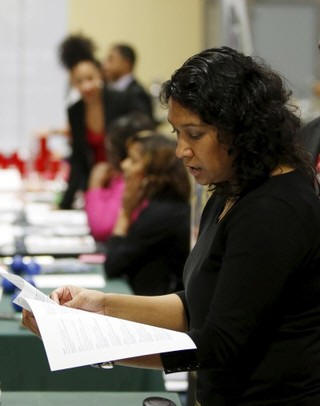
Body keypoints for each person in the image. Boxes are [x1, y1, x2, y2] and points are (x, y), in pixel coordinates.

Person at [23, 47, 320, 405]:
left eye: (194, 134)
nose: (180, 150)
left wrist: (91, 342)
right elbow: (196, 306)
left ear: (240, 129)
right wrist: (102, 306)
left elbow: (216, 345)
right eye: (177, 133)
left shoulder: (275, 210)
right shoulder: (232, 188)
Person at [57, 34, 143, 209]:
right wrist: (65, 204)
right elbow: (78, 158)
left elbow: (138, 143)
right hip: (94, 185)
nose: (86, 86)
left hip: (124, 182)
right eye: (79, 81)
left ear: (100, 75)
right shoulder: (75, 111)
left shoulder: (120, 101)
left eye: (90, 78)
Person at [104, 132, 190, 295]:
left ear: (153, 171)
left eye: (133, 160)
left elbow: (113, 265)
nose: (124, 165)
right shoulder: (166, 206)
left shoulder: (163, 214)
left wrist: (125, 212)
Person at [85, 112, 155, 241]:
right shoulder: (117, 178)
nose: (124, 165)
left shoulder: (135, 180)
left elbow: (101, 229)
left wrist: (95, 186)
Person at [102, 43, 154, 119]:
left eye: (110, 59)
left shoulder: (137, 94)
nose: (104, 65)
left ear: (126, 63)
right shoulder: (106, 88)